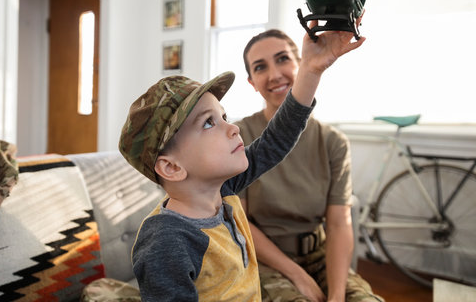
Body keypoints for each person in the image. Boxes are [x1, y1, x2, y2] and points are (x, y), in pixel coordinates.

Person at [82, 22, 364, 302]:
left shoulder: (224, 191)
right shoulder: (166, 242)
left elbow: (278, 138)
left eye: (224, 117)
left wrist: (311, 69)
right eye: (208, 123)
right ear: (172, 167)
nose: (233, 129)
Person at [235, 29, 383, 302]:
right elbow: (239, 223)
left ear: (300, 63)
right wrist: (297, 275)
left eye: (282, 59)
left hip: (319, 255)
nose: (275, 74)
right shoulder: (239, 137)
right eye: (260, 67)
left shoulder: (333, 143)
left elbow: (339, 224)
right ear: (252, 82)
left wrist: (337, 295)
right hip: (264, 260)